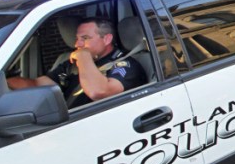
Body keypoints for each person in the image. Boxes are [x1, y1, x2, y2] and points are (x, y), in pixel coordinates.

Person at [8, 17, 146, 108]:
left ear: (107, 39)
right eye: (77, 38)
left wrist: (84, 56)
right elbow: (39, 85)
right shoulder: (71, 63)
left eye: (85, 38)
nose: (77, 44)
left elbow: (99, 92)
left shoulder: (125, 65)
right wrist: (4, 80)